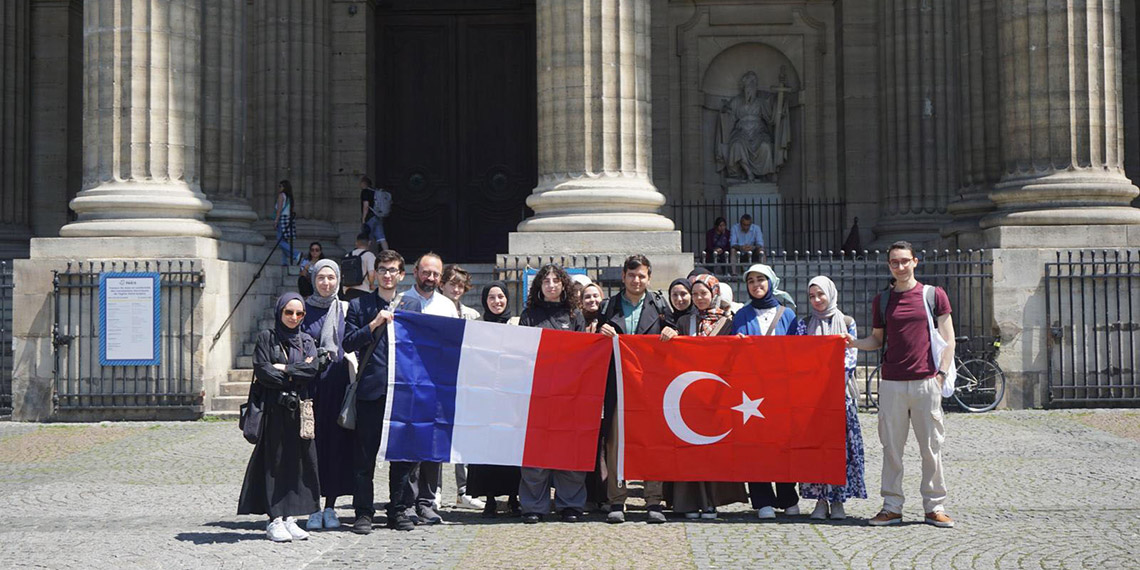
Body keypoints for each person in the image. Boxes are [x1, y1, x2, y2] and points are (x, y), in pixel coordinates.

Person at [846, 241, 956, 528]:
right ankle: (892, 506)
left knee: (931, 448)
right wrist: (853, 343)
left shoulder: (934, 295)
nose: (900, 266)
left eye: (905, 261)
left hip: (926, 381)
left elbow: (949, 339)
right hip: (892, 382)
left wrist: (941, 374)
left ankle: (934, 507)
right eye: (895, 262)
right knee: (891, 448)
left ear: (915, 262)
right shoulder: (882, 300)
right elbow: (877, 340)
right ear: (889, 266)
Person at [237, 293, 323, 542]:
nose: (294, 317)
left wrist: (284, 368)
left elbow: (313, 369)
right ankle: (274, 518)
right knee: (274, 463)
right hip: (274, 410)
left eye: (299, 313)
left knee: (299, 462)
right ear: (280, 312)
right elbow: (263, 371)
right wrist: (296, 373)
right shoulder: (268, 337)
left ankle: (291, 518)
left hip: (299, 411)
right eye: (289, 312)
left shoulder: (306, 340)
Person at [342, 249, 417, 534]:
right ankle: (363, 512)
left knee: (400, 457)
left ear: (401, 275)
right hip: (371, 390)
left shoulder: (411, 306)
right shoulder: (359, 306)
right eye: (383, 269)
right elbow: (347, 343)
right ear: (375, 274)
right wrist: (373, 324)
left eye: (393, 270)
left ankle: (397, 511)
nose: (387, 275)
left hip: (401, 393)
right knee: (364, 456)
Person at [663, 273, 748, 519]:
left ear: (714, 294)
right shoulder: (684, 322)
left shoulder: (729, 321)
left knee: (712, 446)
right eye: (696, 293)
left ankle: (711, 500)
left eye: (704, 293)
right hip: (688, 392)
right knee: (688, 446)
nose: (700, 298)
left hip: (718, 393)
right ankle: (690, 501)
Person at [598, 255, 671, 524]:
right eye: (631, 276)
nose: (636, 280)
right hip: (618, 385)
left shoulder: (660, 305)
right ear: (623, 277)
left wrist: (672, 333)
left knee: (652, 443)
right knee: (616, 443)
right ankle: (617, 500)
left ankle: (654, 500)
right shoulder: (610, 305)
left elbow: (673, 335)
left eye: (641, 276)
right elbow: (596, 343)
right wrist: (600, 332)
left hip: (651, 387)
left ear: (648, 277)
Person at [517, 264, 589, 523]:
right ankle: (533, 505)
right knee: (535, 452)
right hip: (537, 393)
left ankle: (570, 503)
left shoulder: (574, 315)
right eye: (545, 281)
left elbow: (584, 355)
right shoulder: (529, 315)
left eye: (555, 280)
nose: (550, 284)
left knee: (568, 450)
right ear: (539, 287)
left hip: (568, 394)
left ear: (563, 285)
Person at [731, 264, 799, 520]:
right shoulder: (742, 315)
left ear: (771, 282)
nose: (756, 285)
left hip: (781, 389)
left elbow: (797, 351)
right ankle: (761, 500)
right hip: (750, 391)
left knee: (782, 443)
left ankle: (787, 496)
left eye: (761, 279)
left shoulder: (788, 315)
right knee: (754, 445)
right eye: (751, 281)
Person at [797, 276, 867, 521]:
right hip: (812, 400)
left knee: (841, 450)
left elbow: (851, 356)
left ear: (831, 294)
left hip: (840, 397)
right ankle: (820, 499)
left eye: (820, 295)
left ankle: (838, 500)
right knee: (816, 451)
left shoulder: (847, 322)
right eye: (812, 296)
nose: (816, 300)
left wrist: (829, 380)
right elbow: (800, 358)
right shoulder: (804, 324)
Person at [402, 252, 458, 525]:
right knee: (410, 445)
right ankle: (407, 502)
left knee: (433, 447)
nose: (431, 278)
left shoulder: (447, 306)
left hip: (436, 386)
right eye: (426, 272)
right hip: (408, 385)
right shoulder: (401, 302)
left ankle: (427, 501)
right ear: (415, 272)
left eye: (435, 274)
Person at [299, 260, 354, 531]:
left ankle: (331, 506)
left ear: (339, 280)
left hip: (336, 383)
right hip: (310, 385)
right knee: (310, 447)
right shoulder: (302, 308)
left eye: (331, 278)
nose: (326, 283)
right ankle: (311, 506)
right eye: (321, 278)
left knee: (334, 445)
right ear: (313, 280)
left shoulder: (345, 308)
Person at [465, 281, 523, 518]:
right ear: (484, 301)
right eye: (491, 297)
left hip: (512, 398)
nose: (497, 301)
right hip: (486, 397)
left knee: (512, 450)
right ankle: (489, 499)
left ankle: (513, 497)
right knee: (487, 451)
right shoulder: (477, 327)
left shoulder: (517, 325)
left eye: (501, 297)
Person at [438, 264, 485, 512]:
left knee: (464, 437)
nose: (456, 289)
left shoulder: (472, 315)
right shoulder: (433, 310)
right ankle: (433, 490)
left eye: (460, 285)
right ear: (442, 284)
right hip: (438, 379)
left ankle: (464, 490)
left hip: (465, 380)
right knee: (435, 433)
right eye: (452, 283)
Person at [342, 233, 378, 302]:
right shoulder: (369, 255)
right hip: (363, 291)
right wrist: (371, 284)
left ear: (356, 243)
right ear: (369, 243)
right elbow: (371, 273)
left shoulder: (347, 255)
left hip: (348, 292)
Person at [274, 180, 301, 266]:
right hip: (288, 219)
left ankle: (296, 254)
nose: (279, 188)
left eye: (280, 186)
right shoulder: (289, 197)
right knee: (284, 241)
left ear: (284, 187)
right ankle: (284, 262)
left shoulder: (281, 196)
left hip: (282, 219)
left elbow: (279, 210)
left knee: (280, 241)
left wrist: (276, 221)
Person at [360, 175, 390, 251]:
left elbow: (366, 206)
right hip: (377, 216)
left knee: (367, 237)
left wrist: (363, 219)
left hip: (370, 217)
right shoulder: (374, 192)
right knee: (382, 238)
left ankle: (365, 254)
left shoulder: (365, 192)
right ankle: (388, 254)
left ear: (364, 183)